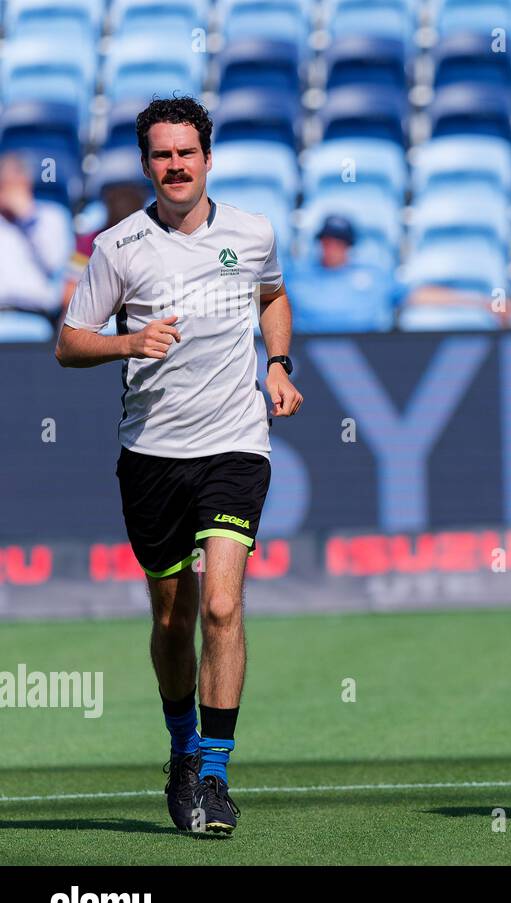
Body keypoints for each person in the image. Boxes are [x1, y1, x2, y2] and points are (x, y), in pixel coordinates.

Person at [55, 95, 304, 836]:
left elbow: (274, 294)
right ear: (146, 164)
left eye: (185, 153)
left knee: (224, 603)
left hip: (235, 442)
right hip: (152, 455)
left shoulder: (253, 231)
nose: (175, 166)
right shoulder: (119, 247)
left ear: (207, 157)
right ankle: (182, 749)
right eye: (161, 155)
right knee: (175, 618)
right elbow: (70, 341)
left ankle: (218, 775)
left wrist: (280, 362)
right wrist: (129, 344)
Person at [61, 153, 149, 315]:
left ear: (141, 194)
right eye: (115, 192)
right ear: (105, 197)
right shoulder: (88, 242)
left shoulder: (159, 235)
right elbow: (69, 294)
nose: (122, 199)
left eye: (129, 191)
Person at [287, 214, 399, 332]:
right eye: (327, 243)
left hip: (366, 342)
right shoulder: (297, 276)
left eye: (338, 244)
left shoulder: (374, 275)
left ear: (348, 247)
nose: (331, 249)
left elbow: (406, 296)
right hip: (306, 344)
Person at [0, 151, 72, 326]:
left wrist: (27, 217)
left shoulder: (52, 216)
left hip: (38, 318)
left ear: (26, 182)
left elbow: (55, 263)